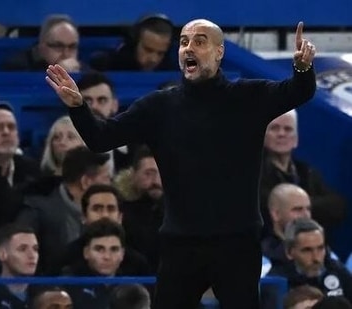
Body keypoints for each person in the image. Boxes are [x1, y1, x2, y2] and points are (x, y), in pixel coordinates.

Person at [46, 19, 317, 309]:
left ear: (219, 52)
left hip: (237, 243)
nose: (189, 47)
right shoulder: (158, 107)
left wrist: (302, 67)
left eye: (200, 41)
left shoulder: (248, 97)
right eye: (185, 42)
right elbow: (101, 139)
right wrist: (77, 107)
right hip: (181, 243)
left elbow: (298, 91)